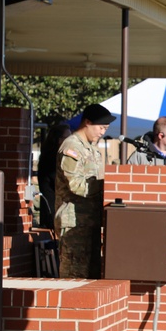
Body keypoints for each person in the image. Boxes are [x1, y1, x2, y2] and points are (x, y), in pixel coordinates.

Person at [54, 103, 116, 278]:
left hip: (90, 221)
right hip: (74, 222)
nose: (102, 132)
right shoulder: (72, 147)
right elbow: (76, 185)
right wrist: (107, 185)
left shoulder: (93, 150)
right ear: (87, 122)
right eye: (101, 127)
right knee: (74, 276)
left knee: (91, 275)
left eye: (106, 128)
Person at [37, 123, 72, 231]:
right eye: (67, 137)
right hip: (53, 210)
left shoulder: (58, 156)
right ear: (57, 139)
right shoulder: (52, 159)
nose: (70, 141)